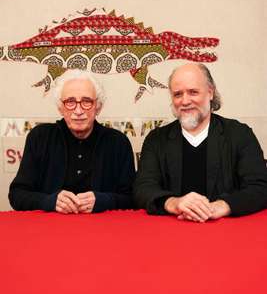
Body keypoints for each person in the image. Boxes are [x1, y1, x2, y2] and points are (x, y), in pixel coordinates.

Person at [134, 63, 267, 222]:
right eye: (177, 94)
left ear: (210, 93)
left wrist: (221, 206)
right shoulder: (156, 139)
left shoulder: (239, 134)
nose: (185, 101)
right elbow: (142, 188)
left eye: (193, 92)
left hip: (226, 233)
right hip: (172, 233)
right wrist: (173, 203)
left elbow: (260, 187)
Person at [9, 68, 135, 214]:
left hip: (102, 230)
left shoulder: (118, 142)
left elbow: (133, 198)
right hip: (49, 230)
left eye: (86, 101)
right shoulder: (39, 137)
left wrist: (103, 200)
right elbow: (17, 195)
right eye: (70, 102)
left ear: (98, 107)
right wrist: (49, 202)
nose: (78, 110)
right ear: (60, 108)